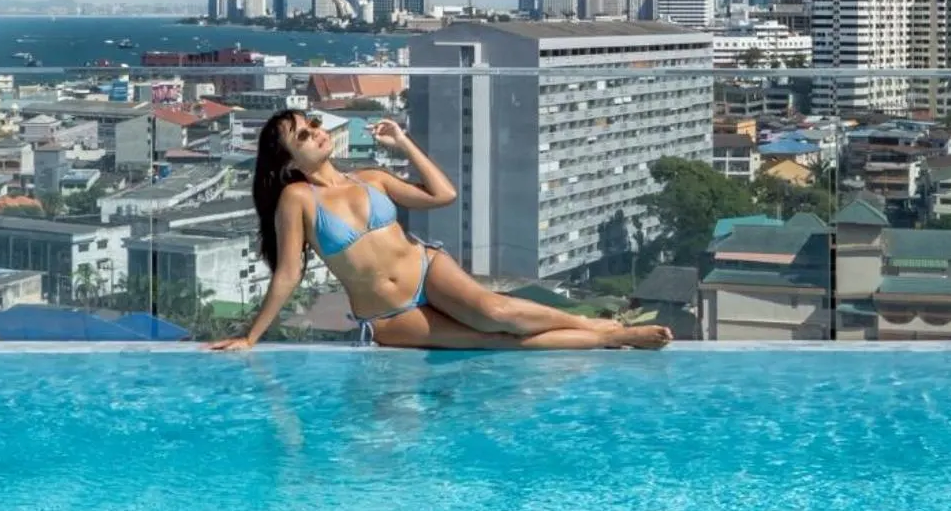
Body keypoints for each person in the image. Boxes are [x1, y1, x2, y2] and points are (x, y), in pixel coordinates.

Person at [209, 110, 671, 351]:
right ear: (288, 160)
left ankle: (596, 327)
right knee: (493, 343)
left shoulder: (369, 178)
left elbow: (442, 194)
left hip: (426, 268)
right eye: (302, 136)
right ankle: (611, 337)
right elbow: (288, 274)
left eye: (312, 124)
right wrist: (252, 336)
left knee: (499, 312)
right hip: (391, 314)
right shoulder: (297, 200)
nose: (315, 132)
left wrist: (403, 142)